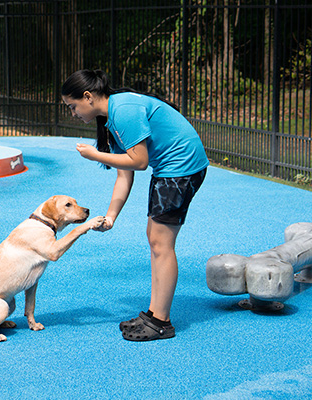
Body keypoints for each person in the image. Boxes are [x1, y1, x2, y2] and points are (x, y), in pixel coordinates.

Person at [61, 69, 209, 341]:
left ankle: (161, 322)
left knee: (161, 244)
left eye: (73, 106)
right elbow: (123, 174)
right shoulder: (111, 116)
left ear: (87, 97)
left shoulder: (124, 111)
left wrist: (94, 154)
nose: (73, 113)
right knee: (155, 240)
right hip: (169, 169)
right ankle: (155, 314)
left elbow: (138, 162)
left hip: (181, 167)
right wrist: (111, 216)